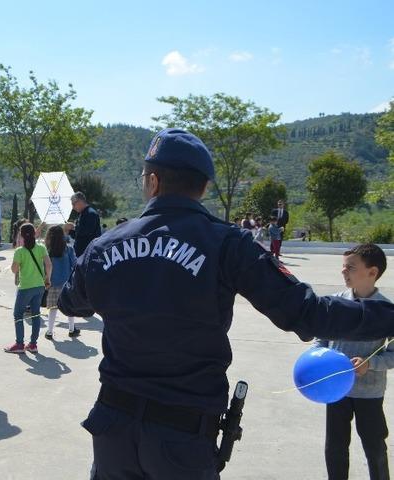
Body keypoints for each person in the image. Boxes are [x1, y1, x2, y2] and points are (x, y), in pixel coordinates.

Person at [58, 128, 394, 480]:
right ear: (203, 187)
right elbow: (306, 313)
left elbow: (71, 303)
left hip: (113, 431)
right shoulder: (227, 244)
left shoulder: (105, 246)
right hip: (182, 438)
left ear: (153, 182)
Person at [315, 244, 393, 480]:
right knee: (335, 446)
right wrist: (318, 358)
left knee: (374, 446)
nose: (343, 271)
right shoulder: (335, 304)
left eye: (350, 267)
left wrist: (370, 364)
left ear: (372, 272)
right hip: (336, 390)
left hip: (369, 393)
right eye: (343, 267)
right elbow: (321, 338)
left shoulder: (387, 312)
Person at [5, 223, 51, 354]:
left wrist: (17, 258)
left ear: (21, 235)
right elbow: (49, 265)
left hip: (25, 287)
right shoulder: (41, 248)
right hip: (40, 286)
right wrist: (48, 279)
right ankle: (33, 344)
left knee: (18, 314)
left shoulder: (20, 251)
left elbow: (14, 270)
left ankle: (19, 344)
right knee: (36, 314)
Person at [44, 225, 78, 339]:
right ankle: (72, 329)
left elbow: (45, 267)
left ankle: (49, 331)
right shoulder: (68, 249)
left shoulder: (47, 251)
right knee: (69, 308)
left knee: (53, 309)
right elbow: (75, 264)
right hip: (67, 284)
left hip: (53, 284)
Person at [67, 192, 102, 257]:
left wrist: (73, 227)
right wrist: (70, 230)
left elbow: (85, 233)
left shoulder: (90, 214)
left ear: (80, 201)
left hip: (89, 254)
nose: (73, 207)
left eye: (74, 204)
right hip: (82, 254)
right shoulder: (82, 214)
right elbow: (78, 236)